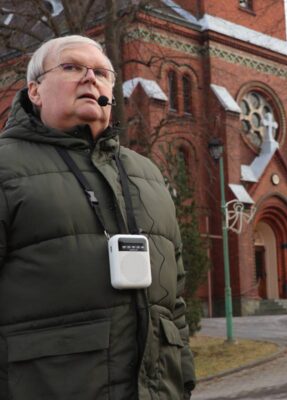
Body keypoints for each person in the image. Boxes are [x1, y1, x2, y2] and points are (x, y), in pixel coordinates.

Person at [0, 35, 196, 399]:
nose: (91, 78)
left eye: (102, 73)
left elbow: (175, 302)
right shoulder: (5, 167)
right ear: (35, 91)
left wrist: (182, 380)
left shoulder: (148, 174)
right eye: (72, 67)